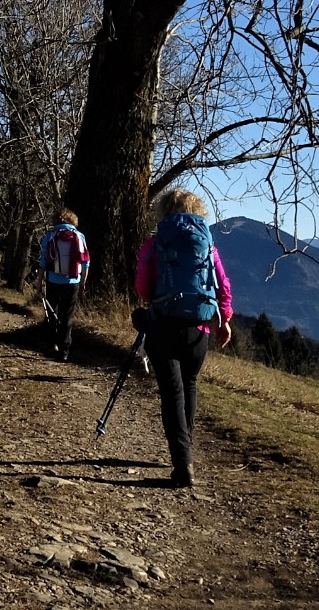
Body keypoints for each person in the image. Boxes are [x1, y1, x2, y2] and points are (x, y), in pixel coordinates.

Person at [134, 189, 234, 488]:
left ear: (163, 211)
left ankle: (182, 462)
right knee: (189, 384)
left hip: (164, 322)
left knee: (172, 392)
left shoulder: (155, 242)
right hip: (199, 326)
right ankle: (185, 449)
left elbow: (143, 284)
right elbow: (222, 283)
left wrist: (152, 300)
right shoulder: (207, 244)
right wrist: (224, 319)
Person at [36, 208, 90, 361]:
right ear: (73, 221)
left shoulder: (50, 235)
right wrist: (83, 281)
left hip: (53, 281)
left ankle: (51, 344)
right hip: (73, 281)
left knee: (52, 313)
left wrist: (39, 281)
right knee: (66, 316)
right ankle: (65, 350)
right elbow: (86, 262)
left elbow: (43, 261)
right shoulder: (79, 236)